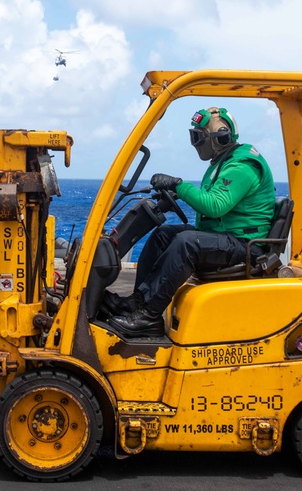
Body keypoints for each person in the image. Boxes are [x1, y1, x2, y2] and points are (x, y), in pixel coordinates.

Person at [107, 107, 276, 338]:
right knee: (163, 235)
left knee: (188, 242)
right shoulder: (224, 161)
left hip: (245, 245)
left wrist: (178, 185)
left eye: (199, 137)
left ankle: (148, 314)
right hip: (227, 235)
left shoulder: (242, 166)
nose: (196, 143)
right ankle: (138, 304)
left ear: (220, 137)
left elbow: (215, 205)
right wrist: (175, 194)